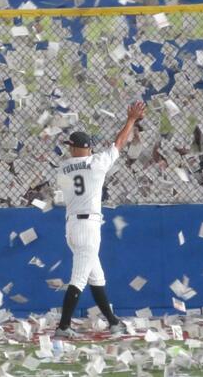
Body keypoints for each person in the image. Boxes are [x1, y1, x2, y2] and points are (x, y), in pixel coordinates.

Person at [54, 101, 146, 339]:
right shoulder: (96, 164)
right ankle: (63, 327)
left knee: (97, 277)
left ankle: (114, 322)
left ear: (76, 148)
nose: (69, 149)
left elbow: (80, 163)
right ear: (89, 149)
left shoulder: (62, 169)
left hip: (72, 227)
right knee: (79, 279)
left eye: (71, 146)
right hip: (89, 227)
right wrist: (131, 120)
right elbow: (119, 143)